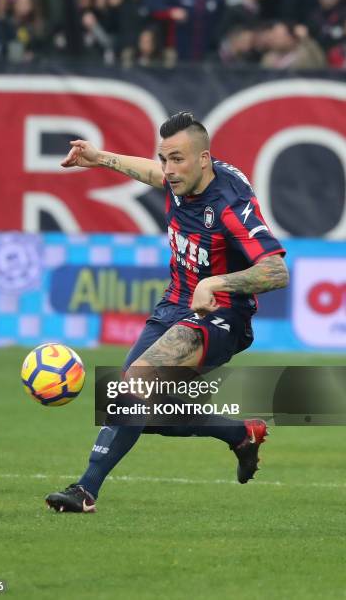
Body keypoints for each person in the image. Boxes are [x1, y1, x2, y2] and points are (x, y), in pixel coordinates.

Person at [46, 112, 289, 513]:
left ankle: (84, 491)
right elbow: (153, 175)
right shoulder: (179, 180)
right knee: (133, 407)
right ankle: (239, 433)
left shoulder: (230, 203)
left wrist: (216, 283)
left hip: (221, 317)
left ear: (204, 159)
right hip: (173, 306)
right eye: (164, 158)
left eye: (177, 159)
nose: (168, 170)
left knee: (135, 385)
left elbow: (275, 270)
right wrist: (98, 156)